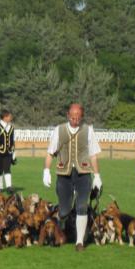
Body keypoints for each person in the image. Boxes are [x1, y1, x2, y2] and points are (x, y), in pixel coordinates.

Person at [43, 103, 102, 252]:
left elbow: (93, 155)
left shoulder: (88, 130)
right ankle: (64, 229)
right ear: (68, 115)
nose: (75, 120)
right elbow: (50, 152)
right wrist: (46, 170)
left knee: (82, 206)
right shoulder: (59, 130)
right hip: (64, 175)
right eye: (72, 117)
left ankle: (79, 242)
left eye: (78, 117)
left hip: (83, 174)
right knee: (64, 211)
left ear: (81, 116)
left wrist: (97, 176)